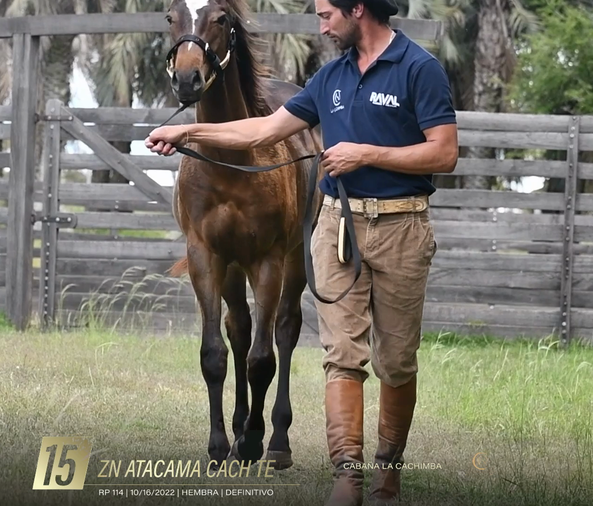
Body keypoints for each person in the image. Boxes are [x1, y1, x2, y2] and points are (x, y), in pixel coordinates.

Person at [146, 0, 458, 503]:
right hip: (338, 227)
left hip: (401, 226)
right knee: (341, 357)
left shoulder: (419, 68)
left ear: (358, 9)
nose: (321, 24)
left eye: (327, 14)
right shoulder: (330, 78)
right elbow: (264, 130)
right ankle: (347, 477)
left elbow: (444, 152)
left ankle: (389, 468)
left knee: (397, 362)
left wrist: (366, 154)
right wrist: (187, 130)